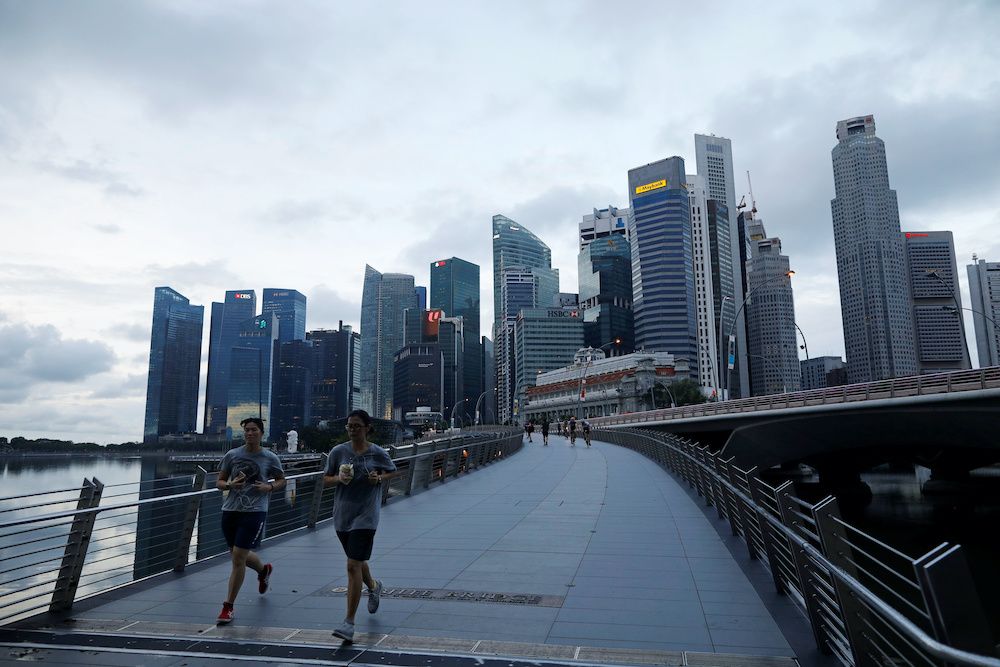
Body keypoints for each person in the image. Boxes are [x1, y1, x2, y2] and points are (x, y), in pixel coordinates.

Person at [325, 410, 398, 643]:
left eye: (357, 426)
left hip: (367, 515)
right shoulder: (338, 452)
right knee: (357, 562)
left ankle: (348, 623)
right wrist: (339, 479)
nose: (352, 429)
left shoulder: (377, 452)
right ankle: (374, 586)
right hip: (343, 515)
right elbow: (326, 478)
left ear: (367, 428)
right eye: (349, 426)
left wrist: (378, 479)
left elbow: (393, 471)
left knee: (352, 565)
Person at [216, 417, 286, 625]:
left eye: (254, 430)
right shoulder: (233, 455)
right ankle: (264, 570)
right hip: (230, 511)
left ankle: (228, 607)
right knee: (239, 556)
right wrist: (230, 486)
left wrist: (269, 487)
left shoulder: (270, 458)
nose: (249, 433)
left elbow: (282, 480)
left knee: (238, 557)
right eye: (247, 430)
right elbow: (219, 482)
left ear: (261, 433)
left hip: (255, 511)